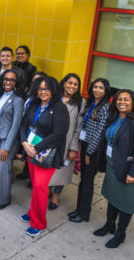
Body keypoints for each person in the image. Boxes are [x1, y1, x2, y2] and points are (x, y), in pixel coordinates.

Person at [94, 89, 134, 249]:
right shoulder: (114, 118)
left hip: (130, 170)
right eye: (119, 99)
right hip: (113, 165)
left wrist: (133, 173)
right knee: (113, 198)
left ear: (133, 102)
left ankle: (120, 234)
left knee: (126, 204)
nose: (122, 102)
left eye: (126, 99)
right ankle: (109, 225)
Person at [19, 76, 69, 236]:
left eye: (46, 89)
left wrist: (36, 148)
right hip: (30, 149)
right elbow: (23, 124)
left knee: (40, 187)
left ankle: (39, 223)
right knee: (35, 185)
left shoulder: (60, 108)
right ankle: (33, 212)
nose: (43, 92)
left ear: (53, 90)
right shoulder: (34, 103)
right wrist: (24, 143)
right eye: (40, 88)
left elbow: (59, 134)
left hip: (46, 154)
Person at [68, 78, 112, 223]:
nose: (97, 90)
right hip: (86, 144)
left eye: (100, 88)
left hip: (93, 149)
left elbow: (100, 133)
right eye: (95, 87)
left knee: (87, 182)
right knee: (82, 181)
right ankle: (79, 209)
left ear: (105, 91)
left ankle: (84, 214)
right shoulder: (92, 103)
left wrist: (89, 152)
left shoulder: (105, 107)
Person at [0, 68, 25, 210]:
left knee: (4, 169)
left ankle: (3, 200)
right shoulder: (2, 95)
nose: (8, 82)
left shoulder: (18, 100)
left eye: (12, 80)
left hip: (8, 139)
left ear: (16, 83)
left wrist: (6, 147)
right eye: (6, 79)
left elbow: (15, 126)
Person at [48, 74, 85, 210]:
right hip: (49, 140)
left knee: (62, 170)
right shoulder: (54, 97)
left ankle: (56, 195)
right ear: (64, 83)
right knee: (47, 166)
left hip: (67, 142)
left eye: (75, 84)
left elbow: (78, 127)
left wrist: (74, 148)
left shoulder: (80, 103)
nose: (72, 86)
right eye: (70, 83)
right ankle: (46, 189)